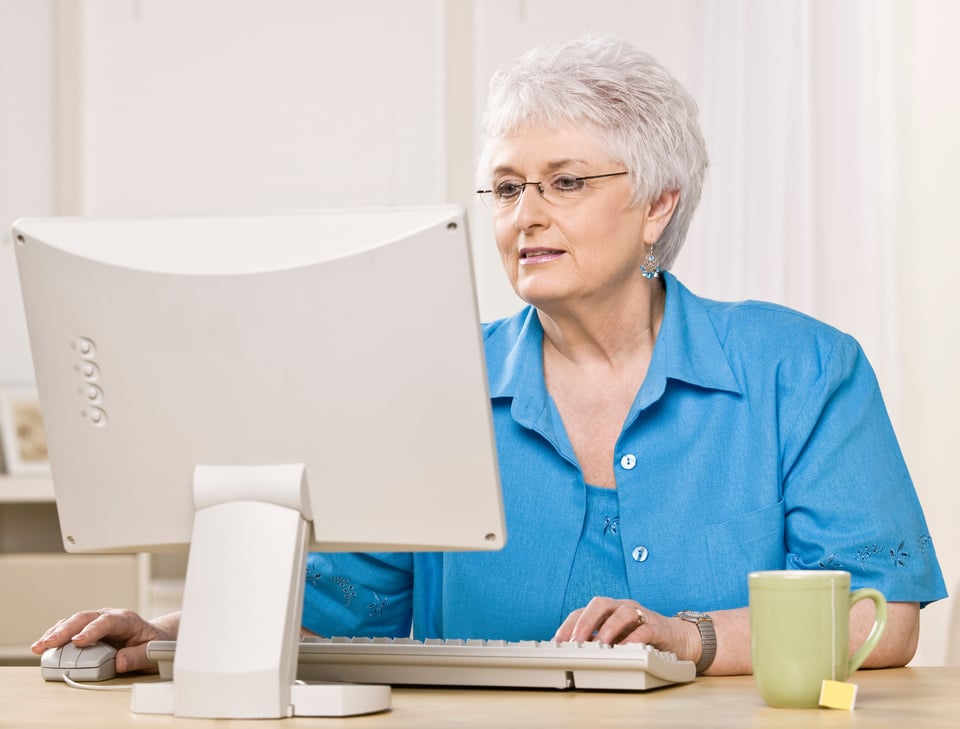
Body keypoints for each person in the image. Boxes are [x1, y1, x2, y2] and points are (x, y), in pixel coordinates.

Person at [33, 35, 945, 676]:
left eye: (566, 182)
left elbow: (883, 616)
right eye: (506, 188)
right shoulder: (432, 388)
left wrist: (690, 637)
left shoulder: (804, 370)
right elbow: (332, 613)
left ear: (658, 206)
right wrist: (156, 635)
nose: (524, 216)